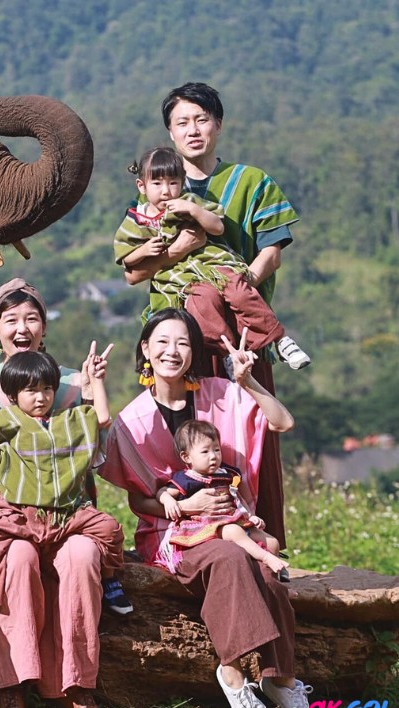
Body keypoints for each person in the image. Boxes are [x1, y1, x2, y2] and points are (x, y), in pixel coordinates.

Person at [98, 308, 317, 708]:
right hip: (173, 534)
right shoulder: (132, 420)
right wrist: (184, 506)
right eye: (162, 342)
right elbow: (137, 499)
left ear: (194, 351)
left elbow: (283, 421)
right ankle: (232, 672)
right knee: (230, 557)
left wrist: (248, 383)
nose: (172, 351)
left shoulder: (222, 394)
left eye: (182, 342)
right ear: (145, 349)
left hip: (232, 521)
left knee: (268, 577)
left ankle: (280, 680)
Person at [121, 82, 301, 547]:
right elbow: (133, 272)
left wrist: (232, 291)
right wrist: (177, 251)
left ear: (218, 124)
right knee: (182, 441)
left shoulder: (251, 181)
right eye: (182, 122)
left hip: (241, 336)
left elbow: (272, 252)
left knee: (253, 438)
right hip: (177, 342)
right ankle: (184, 545)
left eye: (202, 119)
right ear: (170, 132)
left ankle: (262, 545)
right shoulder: (155, 187)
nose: (193, 129)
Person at [0, 278, 116, 708]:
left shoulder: (70, 384)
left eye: (32, 318)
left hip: (67, 516)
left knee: (81, 555)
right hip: (2, 514)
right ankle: (11, 687)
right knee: (17, 558)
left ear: (44, 327)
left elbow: (97, 446)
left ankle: (79, 686)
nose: (22, 328)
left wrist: (94, 386)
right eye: (10, 319)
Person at [0, 347, 128, 650]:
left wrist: (96, 380)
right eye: (31, 390)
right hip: (19, 514)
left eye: (47, 389)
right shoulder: (8, 420)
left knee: (110, 529)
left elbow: (102, 417)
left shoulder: (70, 419)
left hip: (66, 515)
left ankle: (109, 579)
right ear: (13, 396)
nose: (41, 397)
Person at [114, 147, 310, 371]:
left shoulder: (190, 201)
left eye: (173, 183)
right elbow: (126, 261)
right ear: (142, 186)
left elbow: (218, 227)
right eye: (157, 184)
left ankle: (279, 339)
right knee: (203, 301)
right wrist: (147, 250)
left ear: (182, 182)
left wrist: (193, 210)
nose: (166, 191)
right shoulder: (137, 218)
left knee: (239, 291)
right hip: (181, 279)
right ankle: (228, 355)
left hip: (213, 265)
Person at [157, 419, 287, 577]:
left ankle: (273, 577)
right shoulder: (187, 479)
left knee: (272, 542)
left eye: (217, 450)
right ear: (187, 457)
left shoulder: (227, 474)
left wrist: (250, 515)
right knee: (234, 532)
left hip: (235, 520)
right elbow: (162, 491)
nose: (213, 456)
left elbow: (237, 497)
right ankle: (266, 558)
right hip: (207, 525)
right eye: (205, 452)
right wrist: (168, 501)